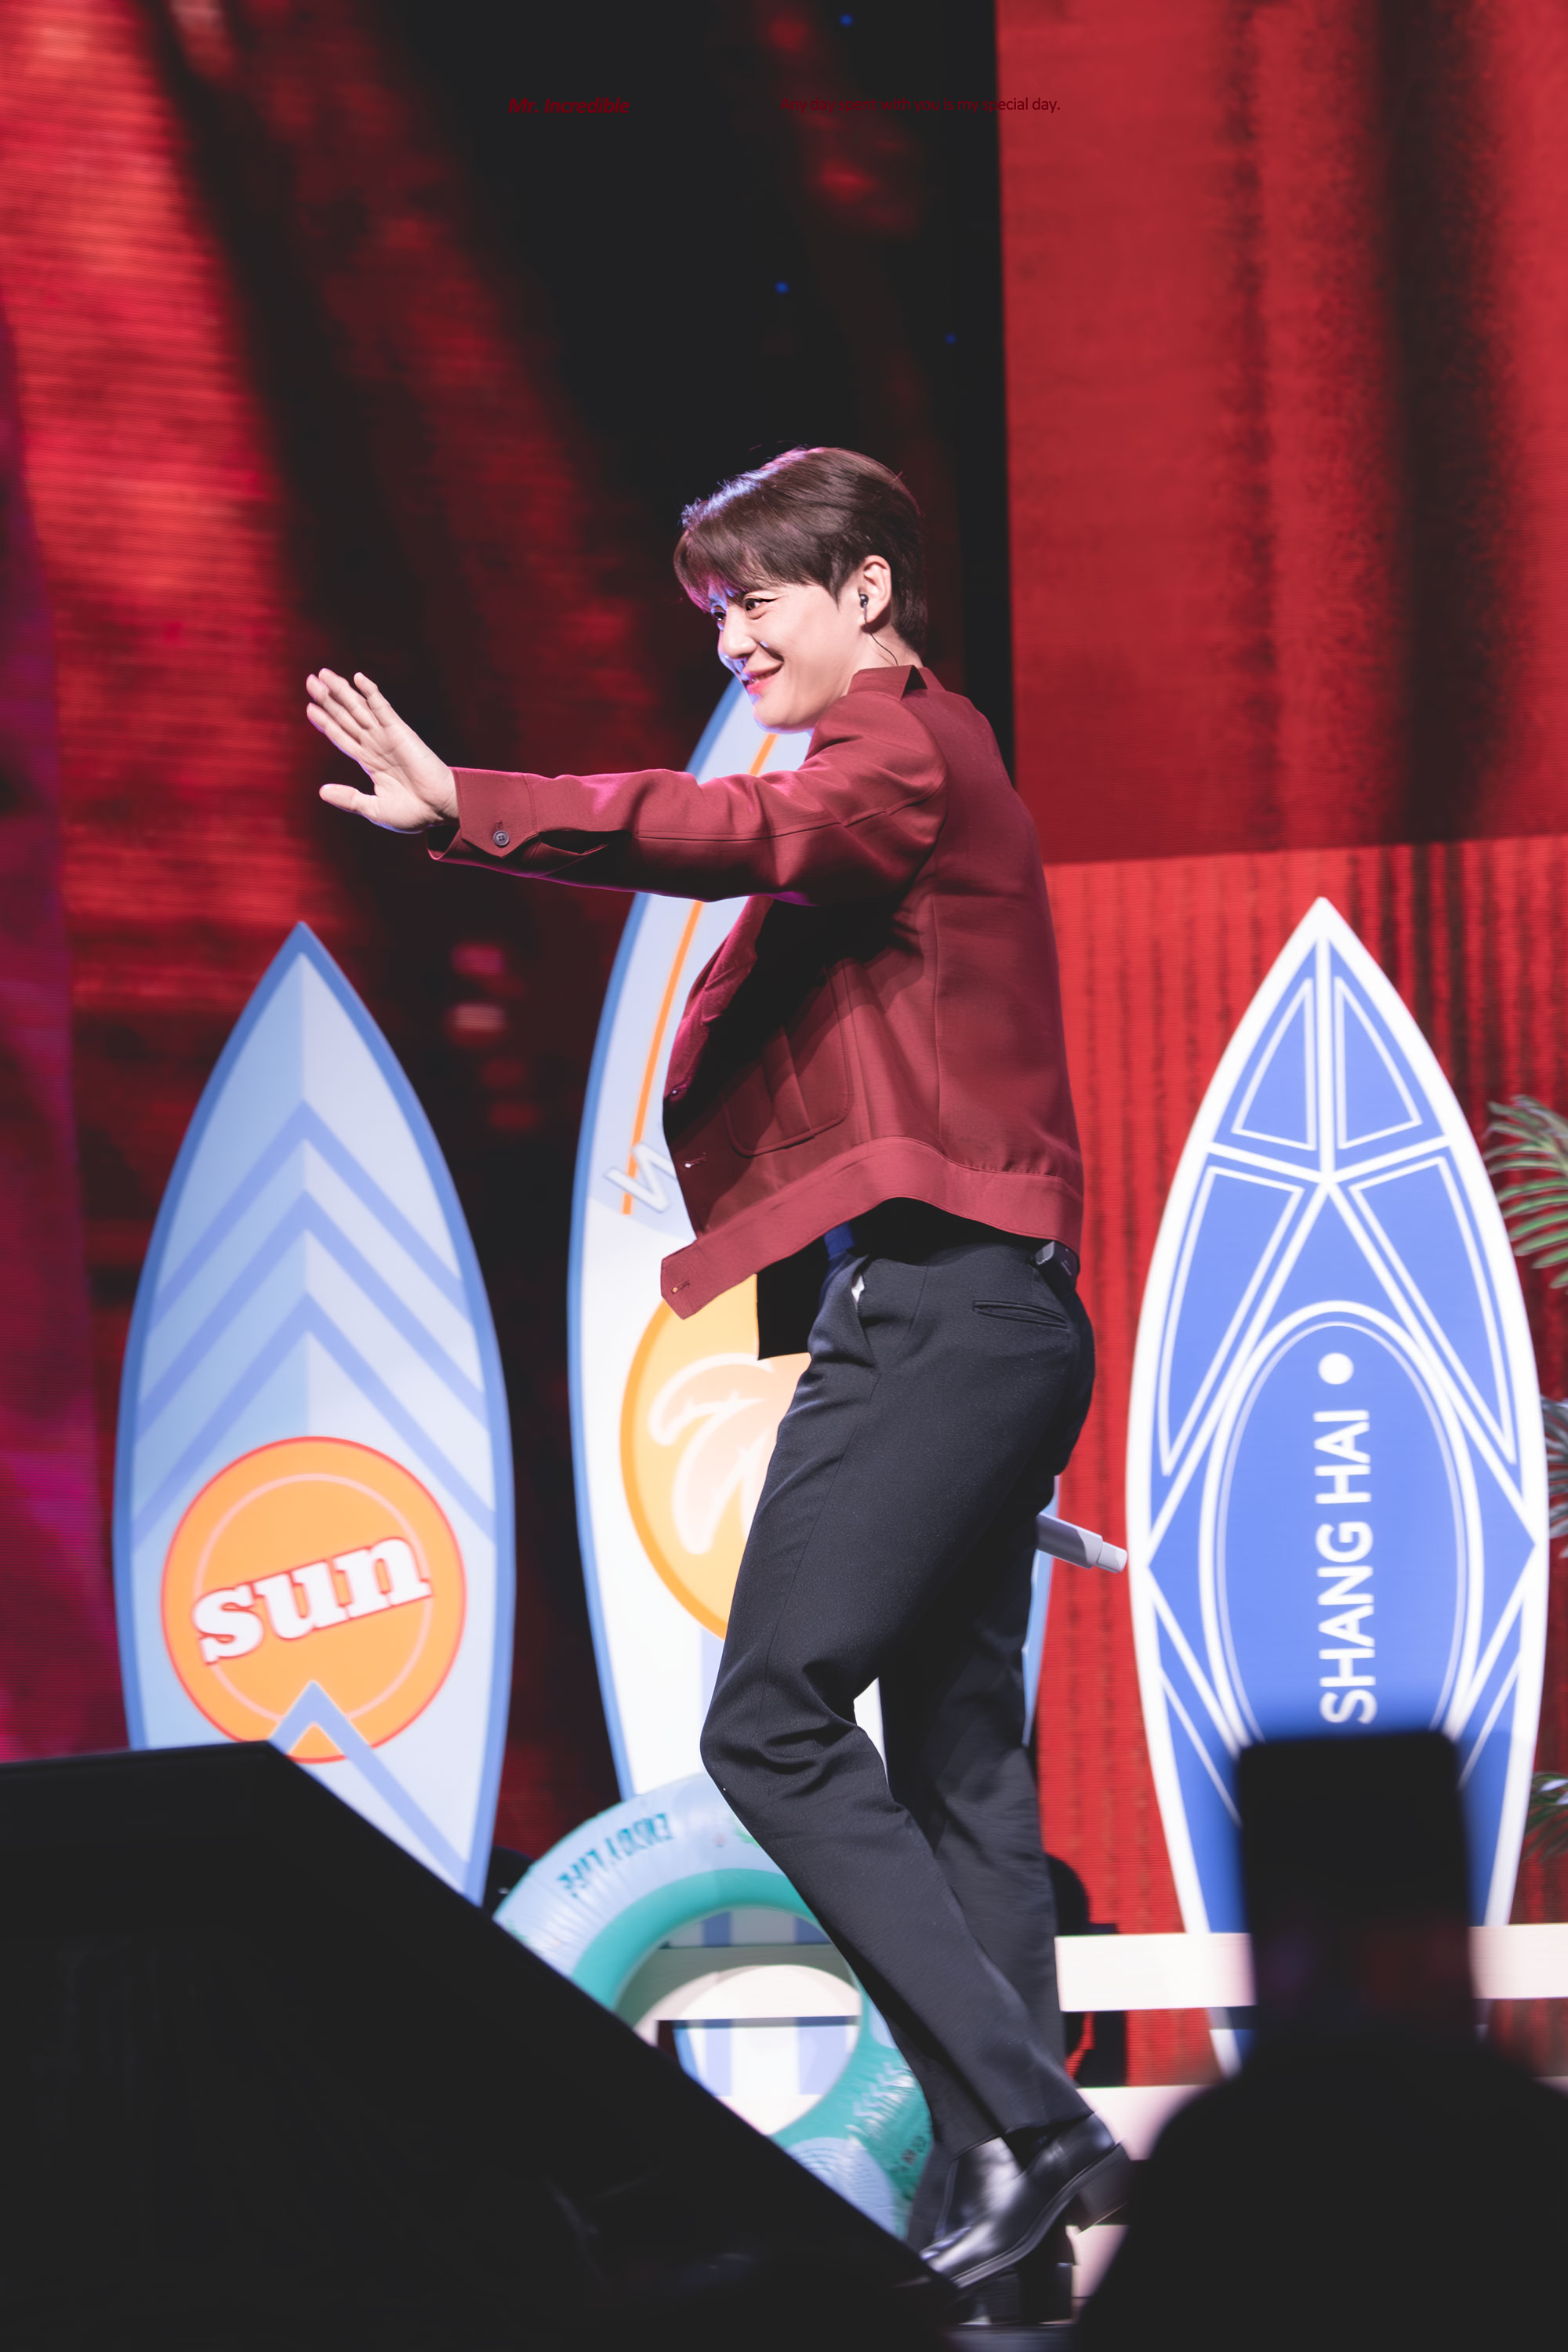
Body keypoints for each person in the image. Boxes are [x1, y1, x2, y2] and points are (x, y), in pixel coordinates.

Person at [306, 446, 1130, 2300]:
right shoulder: (931, 755)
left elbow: (739, 830)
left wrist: (472, 806)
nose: (733, 639)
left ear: (866, 593)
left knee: (767, 1723)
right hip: (994, 1316)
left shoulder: (892, 749)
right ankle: (1010, 2229)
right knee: (960, 1769)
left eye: (757, 600)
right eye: (715, 612)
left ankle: (1026, 2125)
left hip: (941, 1314)